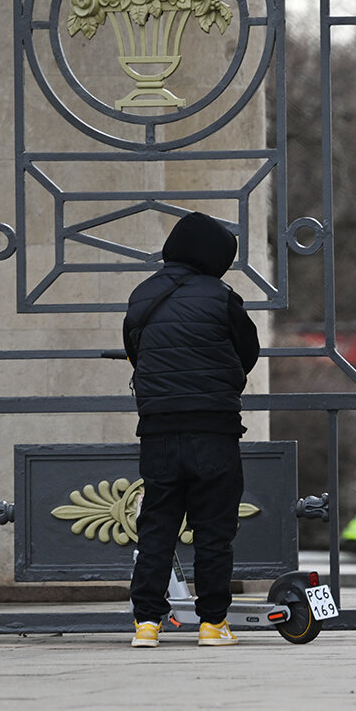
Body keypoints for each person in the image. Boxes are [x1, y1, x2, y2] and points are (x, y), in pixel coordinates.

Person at [124, 212, 259, 648]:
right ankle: (212, 624)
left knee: (157, 526)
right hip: (213, 429)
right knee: (214, 529)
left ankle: (147, 623)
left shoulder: (142, 296)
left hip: (158, 430)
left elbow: (134, 350)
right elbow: (248, 351)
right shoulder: (222, 298)